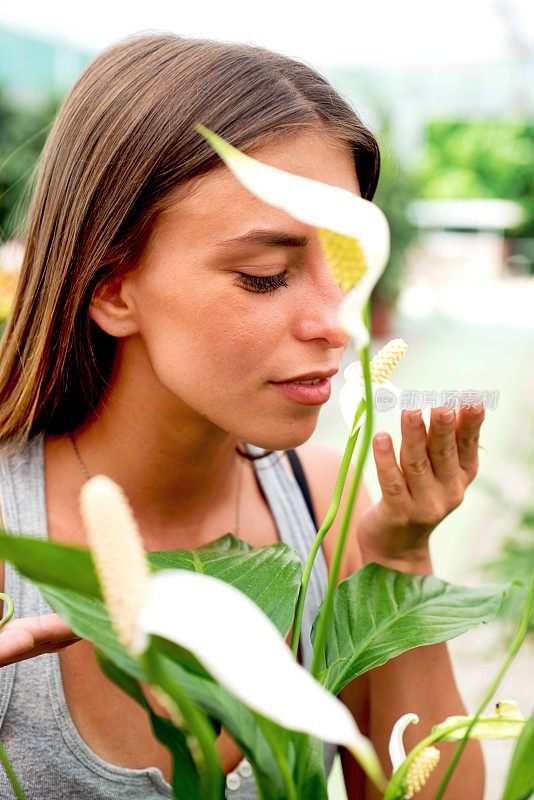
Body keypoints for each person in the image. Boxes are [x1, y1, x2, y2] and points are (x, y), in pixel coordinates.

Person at [0, 31, 485, 799]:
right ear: (112, 288)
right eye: (267, 275)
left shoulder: (330, 510)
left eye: (347, 266)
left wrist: (401, 562)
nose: (340, 322)